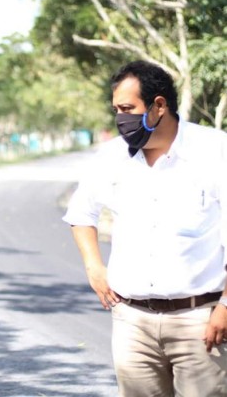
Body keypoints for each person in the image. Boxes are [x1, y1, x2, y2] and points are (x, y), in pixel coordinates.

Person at [63, 60, 227, 396]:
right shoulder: (111, 157)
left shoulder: (214, 151)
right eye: (116, 110)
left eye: (128, 108)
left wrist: (226, 306)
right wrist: (94, 267)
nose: (121, 118)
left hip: (200, 318)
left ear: (159, 106)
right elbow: (81, 213)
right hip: (132, 321)